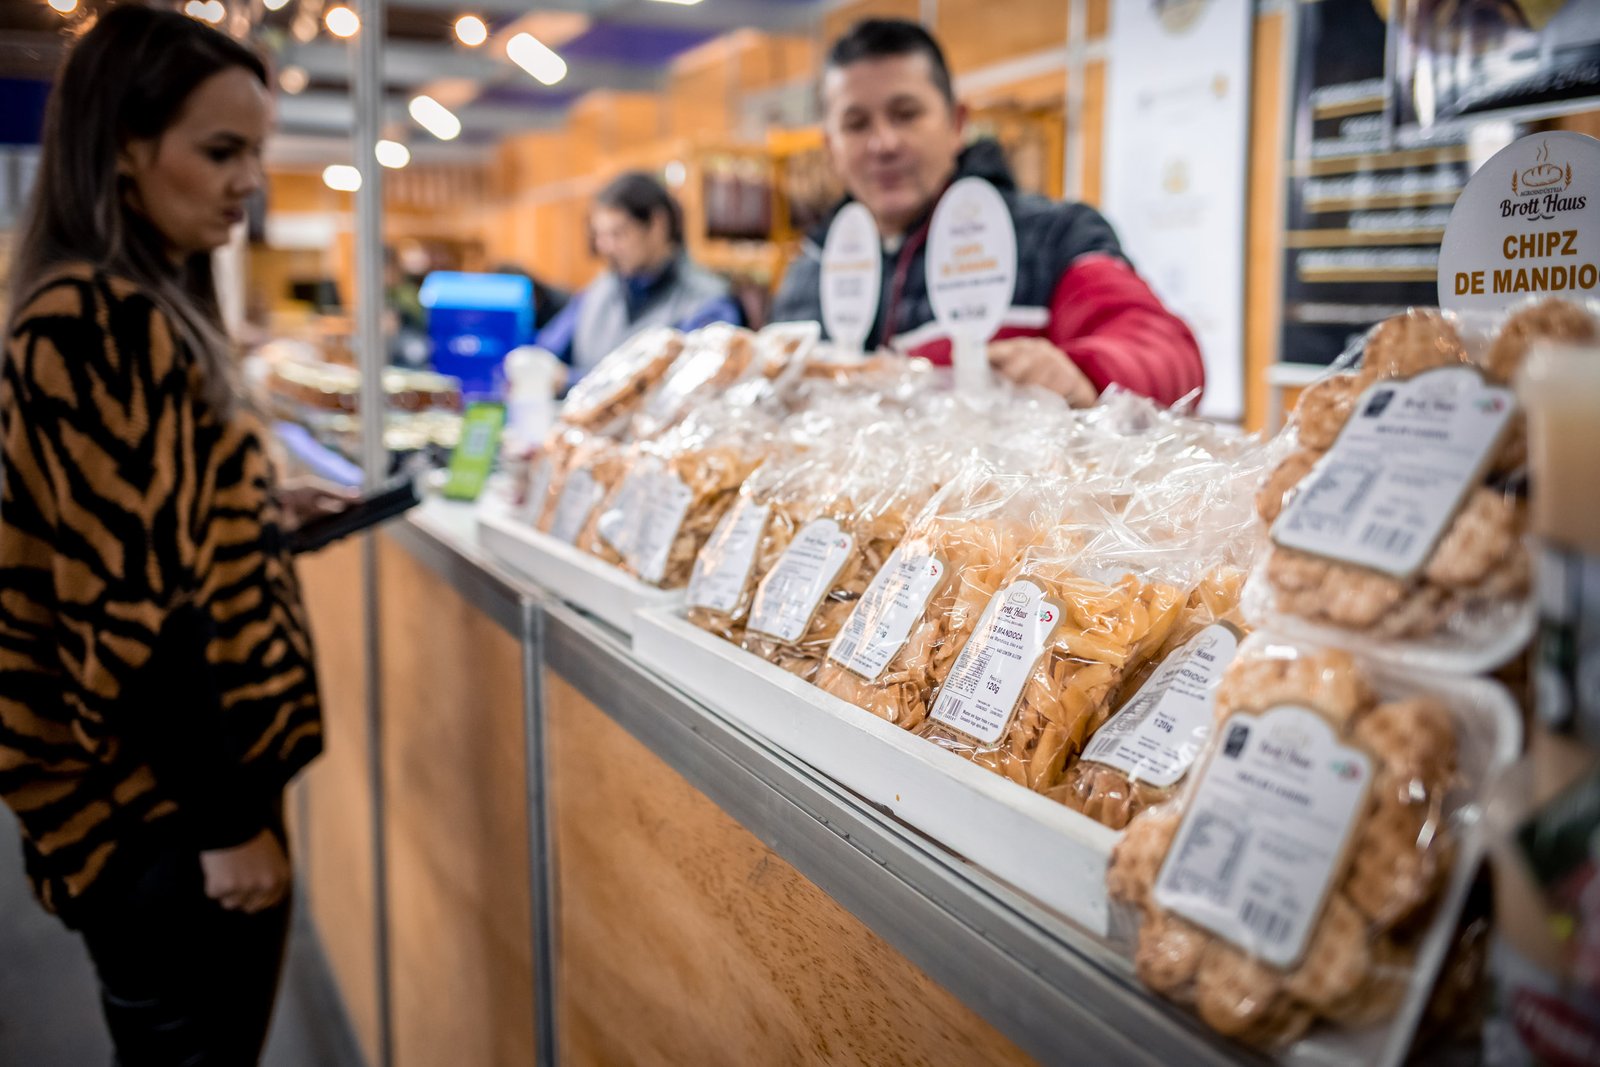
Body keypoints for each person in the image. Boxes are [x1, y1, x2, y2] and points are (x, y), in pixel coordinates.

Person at [0, 6, 342, 1062]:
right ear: (124, 150)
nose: (249, 180)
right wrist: (226, 816)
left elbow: (150, 533)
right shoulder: (98, 319)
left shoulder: (119, 304)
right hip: (165, 808)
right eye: (221, 149)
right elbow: (129, 608)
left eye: (257, 151)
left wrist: (255, 513)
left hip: (171, 798)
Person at [773, 19, 1205, 408]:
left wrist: (1083, 374)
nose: (883, 143)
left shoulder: (1054, 237)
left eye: (906, 115)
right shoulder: (807, 273)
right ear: (830, 146)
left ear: (957, 123)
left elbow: (1168, 355)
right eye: (856, 124)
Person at [536, 171, 743, 377]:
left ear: (657, 224)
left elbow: (691, 380)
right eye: (600, 235)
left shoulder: (709, 302)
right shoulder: (596, 294)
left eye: (618, 234)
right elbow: (542, 353)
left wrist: (570, 380)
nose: (606, 248)